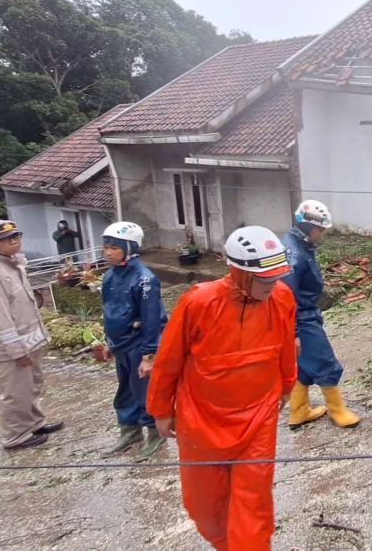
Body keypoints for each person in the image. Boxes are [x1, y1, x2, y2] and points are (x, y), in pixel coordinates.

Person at [148, 226, 297, 551]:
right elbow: (168, 360)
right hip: (201, 419)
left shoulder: (282, 297)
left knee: (253, 504)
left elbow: (286, 345)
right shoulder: (198, 303)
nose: (272, 287)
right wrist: (161, 410)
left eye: (276, 279)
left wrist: (287, 384)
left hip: (259, 417)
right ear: (239, 272)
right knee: (205, 508)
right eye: (265, 280)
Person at [0, 220, 64, 450]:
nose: (14, 241)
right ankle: (15, 436)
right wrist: (16, 351)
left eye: (16, 236)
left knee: (32, 385)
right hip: (10, 348)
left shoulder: (13, 266)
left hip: (29, 341)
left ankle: (34, 423)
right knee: (15, 391)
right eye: (6, 239)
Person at [282, 200, 359, 429]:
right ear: (310, 228)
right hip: (300, 318)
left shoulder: (299, 245)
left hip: (306, 312)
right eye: (321, 230)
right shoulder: (293, 255)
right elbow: (286, 298)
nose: (323, 234)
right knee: (325, 361)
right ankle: (338, 412)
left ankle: (298, 411)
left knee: (304, 366)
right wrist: (293, 332)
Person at [99, 222, 167, 457]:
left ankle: (155, 433)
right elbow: (110, 311)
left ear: (130, 248)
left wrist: (149, 355)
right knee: (125, 389)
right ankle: (129, 431)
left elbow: (152, 320)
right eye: (105, 247)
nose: (107, 252)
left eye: (113, 248)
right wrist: (109, 340)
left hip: (139, 344)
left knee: (145, 391)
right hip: (120, 344)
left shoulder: (145, 280)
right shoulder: (109, 276)